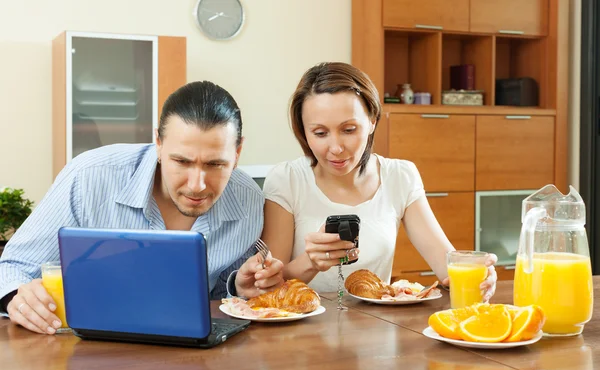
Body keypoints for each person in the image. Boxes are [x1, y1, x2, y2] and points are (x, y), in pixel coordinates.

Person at [0, 81, 284, 334]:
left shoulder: (248, 198)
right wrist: (17, 296)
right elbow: (11, 267)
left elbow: (219, 292)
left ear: (237, 153)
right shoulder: (88, 176)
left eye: (215, 164)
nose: (197, 185)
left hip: (191, 358)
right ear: (158, 143)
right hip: (86, 352)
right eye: (182, 162)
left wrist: (238, 287)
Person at [261, 62, 497, 297]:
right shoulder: (287, 180)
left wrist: (478, 276)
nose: (336, 148)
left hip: (377, 326)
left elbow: (447, 268)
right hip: (300, 329)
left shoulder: (400, 177)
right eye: (320, 133)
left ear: (372, 120)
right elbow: (267, 286)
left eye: (349, 129)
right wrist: (310, 262)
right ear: (304, 131)